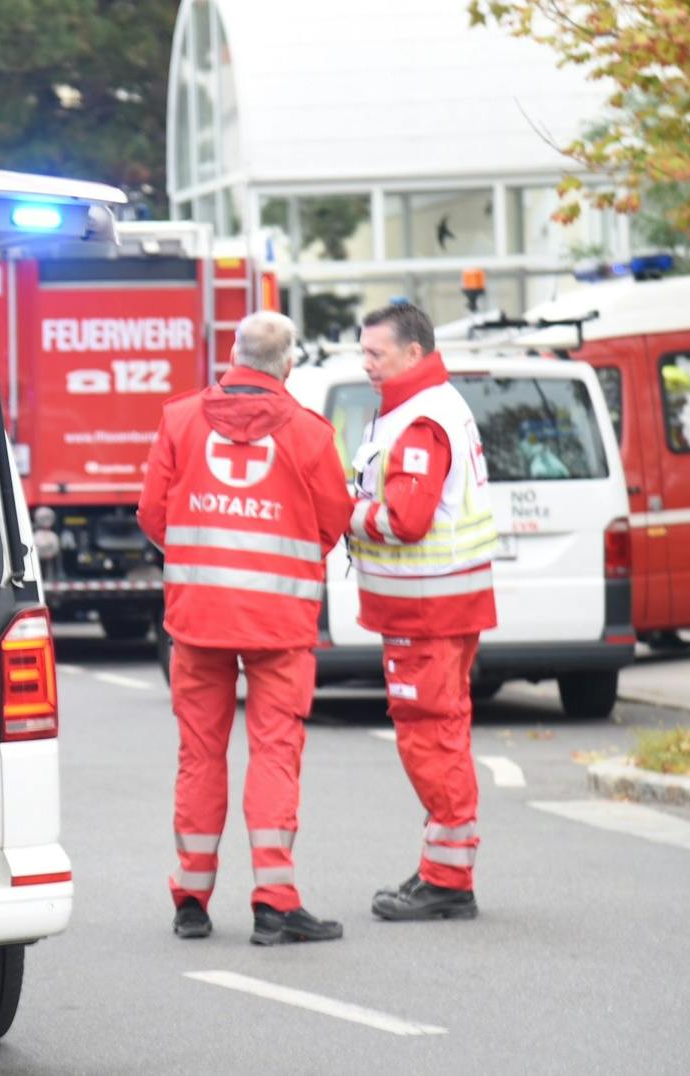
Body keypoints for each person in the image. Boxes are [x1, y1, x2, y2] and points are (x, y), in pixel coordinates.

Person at [138, 311, 354, 945]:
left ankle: (191, 898)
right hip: (279, 625)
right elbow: (332, 520)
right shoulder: (311, 435)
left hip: (198, 618)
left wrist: (200, 560)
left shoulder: (179, 418)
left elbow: (154, 513)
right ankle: (275, 901)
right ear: (288, 365)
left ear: (231, 355)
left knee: (200, 756)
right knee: (275, 754)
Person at [348, 302, 498, 922]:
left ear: (413, 353)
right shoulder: (428, 407)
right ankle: (444, 872)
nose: (366, 365)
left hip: (425, 609)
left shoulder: (419, 420)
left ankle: (447, 881)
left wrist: (346, 510)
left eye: (375, 354)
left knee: (430, 739)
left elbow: (405, 520)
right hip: (439, 602)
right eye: (363, 353)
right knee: (444, 733)